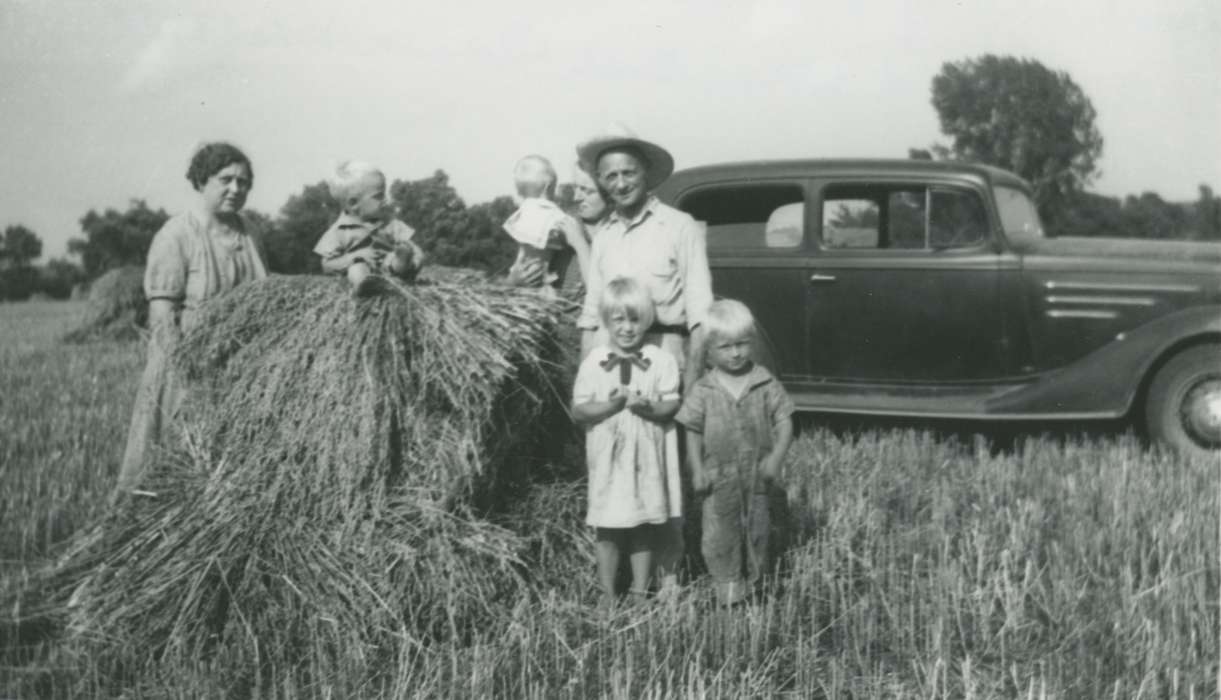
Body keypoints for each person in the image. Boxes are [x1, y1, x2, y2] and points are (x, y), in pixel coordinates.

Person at [575, 127, 714, 592]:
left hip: (667, 357)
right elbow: (593, 311)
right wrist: (585, 377)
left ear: (646, 175)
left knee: (665, 475)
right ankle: (622, 586)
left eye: (628, 172)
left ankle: (667, 584)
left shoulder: (679, 226)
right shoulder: (605, 235)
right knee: (618, 472)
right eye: (609, 175)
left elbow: (700, 312)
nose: (619, 183)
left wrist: (693, 382)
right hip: (610, 366)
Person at [115, 142, 269, 496]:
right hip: (188, 364)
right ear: (202, 181)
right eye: (225, 179)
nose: (236, 189)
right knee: (178, 465)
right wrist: (185, 373)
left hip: (243, 364)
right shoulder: (177, 235)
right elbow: (163, 317)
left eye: (243, 182)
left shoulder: (251, 233)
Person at [675, 299, 795, 606]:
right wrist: (697, 469)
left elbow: (784, 421)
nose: (736, 353)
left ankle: (756, 584)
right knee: (719, 531)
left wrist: (776, 458)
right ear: (709, 351)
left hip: (756, 473)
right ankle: (727, 586)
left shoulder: (765, 382)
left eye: (742, 344)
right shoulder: (704, 390)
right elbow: (692, 428)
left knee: (758, 529)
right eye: (726, 347)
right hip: (718, 476)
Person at [572, 277, 682, 607]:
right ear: (606, 321)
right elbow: (579, 410)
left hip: (646, 458)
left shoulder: (660, 360)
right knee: (608, 525)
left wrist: (645, 406)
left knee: (642, 522)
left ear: (646, 320)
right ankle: (607, 591)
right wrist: (611, 406)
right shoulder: (595, 361)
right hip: (609, 458)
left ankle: (639, 590)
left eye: (634, 320)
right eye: (619, 320)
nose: (627, 328)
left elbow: (671, 406)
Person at [314, 160, 424, 296]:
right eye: (379, 196)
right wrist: (353, 257)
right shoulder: (338, 231)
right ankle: (364, 285)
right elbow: (327, 265)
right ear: (354, 203)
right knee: (357, 268)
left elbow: (413, 247)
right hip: (363, 267)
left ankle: (400, 265)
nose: (386, 200)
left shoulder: (390, 223)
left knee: (399, 255)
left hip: (388, 266)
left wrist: (414, 255)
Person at [506, 162, 598, 296]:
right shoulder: (563, 221)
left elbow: (600, 293)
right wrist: (511, 281)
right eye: (575, 188)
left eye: (586, 190)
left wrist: (580, 244)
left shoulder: (613, 237)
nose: (575, 196)